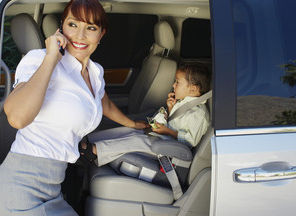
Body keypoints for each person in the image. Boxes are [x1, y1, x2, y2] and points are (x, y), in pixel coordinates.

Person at [0, 0, 147, 216]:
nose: (80, 36)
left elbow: (104, 103)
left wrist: (134, 124)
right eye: (73, 25)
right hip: (19, 191)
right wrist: (52, 57)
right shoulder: (39, 59)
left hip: (53, 190)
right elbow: (16, 117)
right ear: (61, 28)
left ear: (101, 34)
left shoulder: (95, 71)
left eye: (90, 28)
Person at [83, 62, 211, 167]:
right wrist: (170, 109)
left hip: (170, 149)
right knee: (130, 131)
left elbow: (190, 141)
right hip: (162, 138)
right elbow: (174, 122)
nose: (173, 85)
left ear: (192, 89)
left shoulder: (197, 113)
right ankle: (89, 140)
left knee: (137, 140)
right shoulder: (182, 102)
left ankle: (94, 151)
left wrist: (167, 131)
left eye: (177, 82)